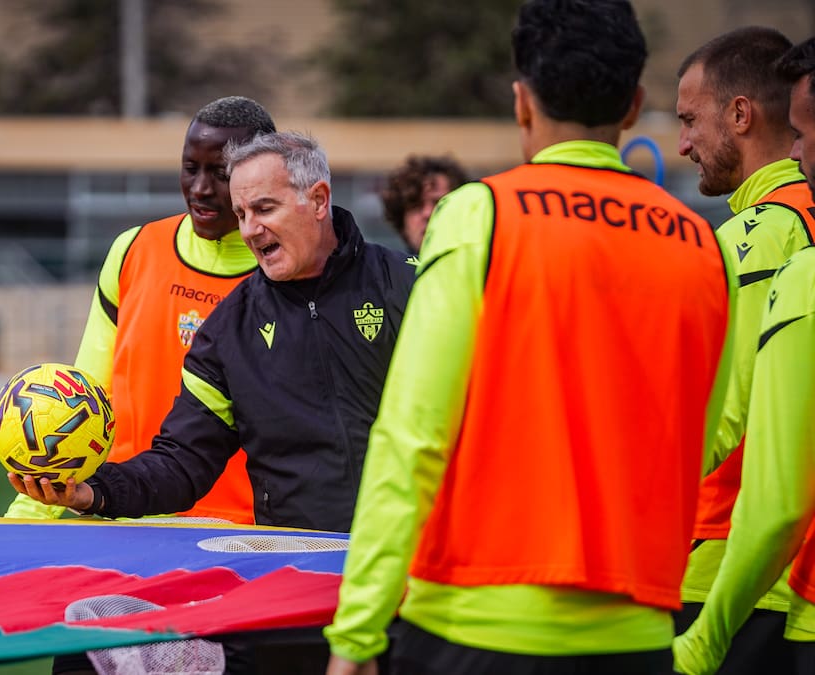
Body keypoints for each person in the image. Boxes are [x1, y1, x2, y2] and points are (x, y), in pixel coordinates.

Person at [325, 1, 736, 674]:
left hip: (474, 627)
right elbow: (707, 436)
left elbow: (411, 435)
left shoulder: (478, 215)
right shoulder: (703, 247)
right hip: (636, 634)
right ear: (633, 105)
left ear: (522, 103)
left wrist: (356, 631)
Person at [11, 130, 417, 535]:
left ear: (317, 200)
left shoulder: (410, 286)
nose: (250, 230)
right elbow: (181, 463)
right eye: (242, 214)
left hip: (423, 552)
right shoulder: (228, 331)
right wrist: (94, 492)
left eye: (264, 209)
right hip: (304, 565)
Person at [4, 96, 275, 525]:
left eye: (221, 174)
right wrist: (27, 516)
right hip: (122, 523)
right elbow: (84, 400)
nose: (201, 188)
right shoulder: (134, 251)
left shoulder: (286, 274)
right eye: (191, 168)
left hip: (242, 538)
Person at [673, 26, 815, 674]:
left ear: (740, 113)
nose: (682, 143)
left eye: (689, 120)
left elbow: (721, 416)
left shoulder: (761, 233)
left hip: (731, 563)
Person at [380, 154, 468, 254]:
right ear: (402, 221)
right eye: (416, 206)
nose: (428, 213)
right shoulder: (384, 268)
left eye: (439, 203)